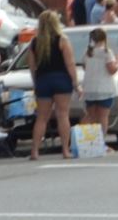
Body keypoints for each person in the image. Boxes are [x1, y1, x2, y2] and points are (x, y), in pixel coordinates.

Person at [25, 10, 80, 160]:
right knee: (63, 115)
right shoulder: (62, 40)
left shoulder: (35, 42)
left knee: (42, 117)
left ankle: (35, 151)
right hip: (61, 79)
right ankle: (65, 150)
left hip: (43, 80)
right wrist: (76, 83)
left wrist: (36, 82)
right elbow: (70, 64)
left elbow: (31, 65)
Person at [80, 28, 118, 134]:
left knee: (90, 116)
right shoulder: (107, 52)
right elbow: (112, 70)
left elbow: (85, 67)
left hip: (89, 88)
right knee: (103, 117)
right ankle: (101, 141)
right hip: (104, 89)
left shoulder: (88, 53)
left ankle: (81, 137)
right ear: (104, 38)